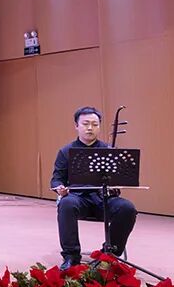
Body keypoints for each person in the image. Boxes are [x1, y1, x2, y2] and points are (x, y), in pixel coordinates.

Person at [52, 106, 138, 270]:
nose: (90, 128)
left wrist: (116, 185)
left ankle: (109, 254)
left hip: (103, 198)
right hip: (78, 198)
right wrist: (59, 188)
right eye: (85, 124)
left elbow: (117, 179)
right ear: (76, 126)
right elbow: (57, 178)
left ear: (99, 126)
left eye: (94, 124)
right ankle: (71, 256)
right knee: (66, 204)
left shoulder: (108, 150)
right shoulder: (66, 151)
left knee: (127, 208)